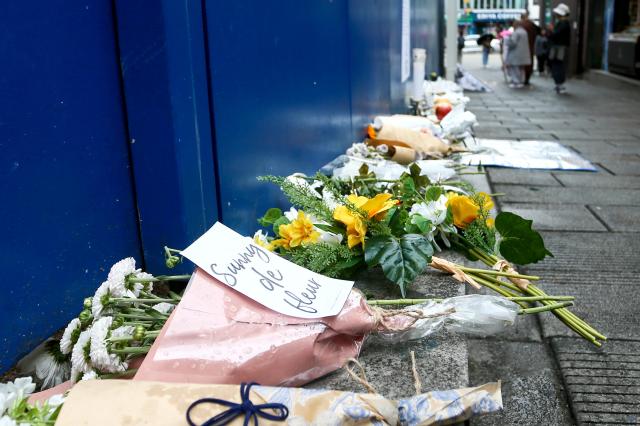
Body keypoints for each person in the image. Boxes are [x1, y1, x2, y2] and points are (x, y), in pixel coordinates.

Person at [548, 3, 571, 94]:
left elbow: (555, 34)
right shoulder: (563, 23)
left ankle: (559, 84)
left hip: (558, 47)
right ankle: (559, 84)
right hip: (559, 47)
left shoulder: (563, 23)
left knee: (558, 65)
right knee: (558, 65)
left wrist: (551, 30)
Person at [504, 21, 531, 88]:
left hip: (516, 54)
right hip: (523, 54)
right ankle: (521, 81)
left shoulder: (516, 32)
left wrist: (507, 40)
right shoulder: (524, 32)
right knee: (521, 69)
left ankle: (516, 82)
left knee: (515, 69)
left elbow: (513, 43)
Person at [520, 12, 540, 85]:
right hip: (529, 47)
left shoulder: (521, 25)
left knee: (523, 63)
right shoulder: (531, 24)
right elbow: (538, 32)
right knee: (529, 63)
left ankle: (522, 78)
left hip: (522, 47)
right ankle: (526, 79)